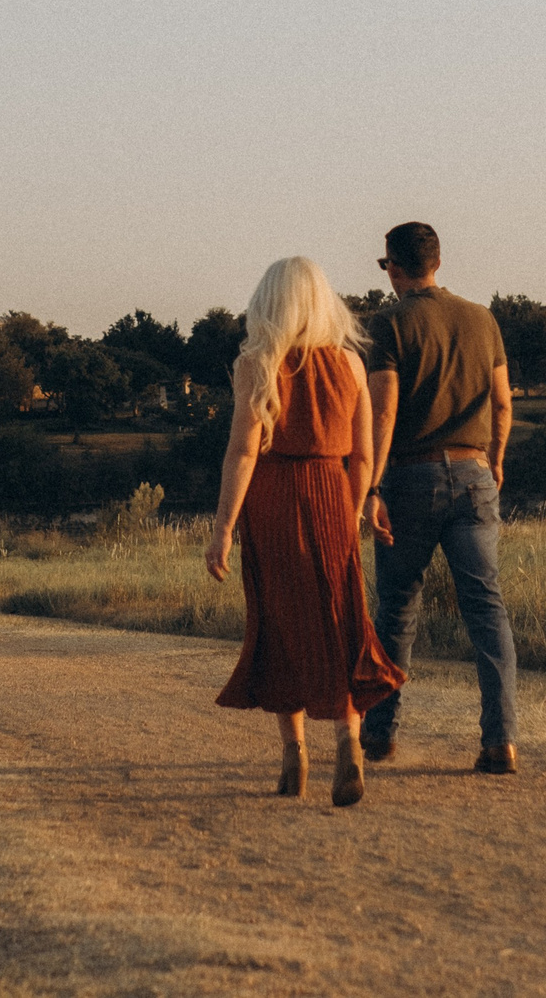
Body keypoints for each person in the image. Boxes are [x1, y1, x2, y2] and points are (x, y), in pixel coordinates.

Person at [207, 256, 406, 807]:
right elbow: (364, 455)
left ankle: (294, 759)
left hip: (271, 501)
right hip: (332, 498)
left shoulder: (257, 363)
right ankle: (349, 745)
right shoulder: (349, 364)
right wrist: (358, 505)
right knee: (338, 621)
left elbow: (244, 451)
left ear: (268, 302)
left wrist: (223, 526)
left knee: (278, 624)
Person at [360, 221, 519, 774]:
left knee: (398, 609)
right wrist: (495, 460)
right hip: (474, 476)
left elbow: (383, 412)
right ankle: (501, 740)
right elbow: (502, 403)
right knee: (487, 611)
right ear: (439, 262)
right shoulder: (482, 318)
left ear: (394, 268)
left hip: (408, 479)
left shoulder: (390, 324)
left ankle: (380, 736)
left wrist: (372, 487)